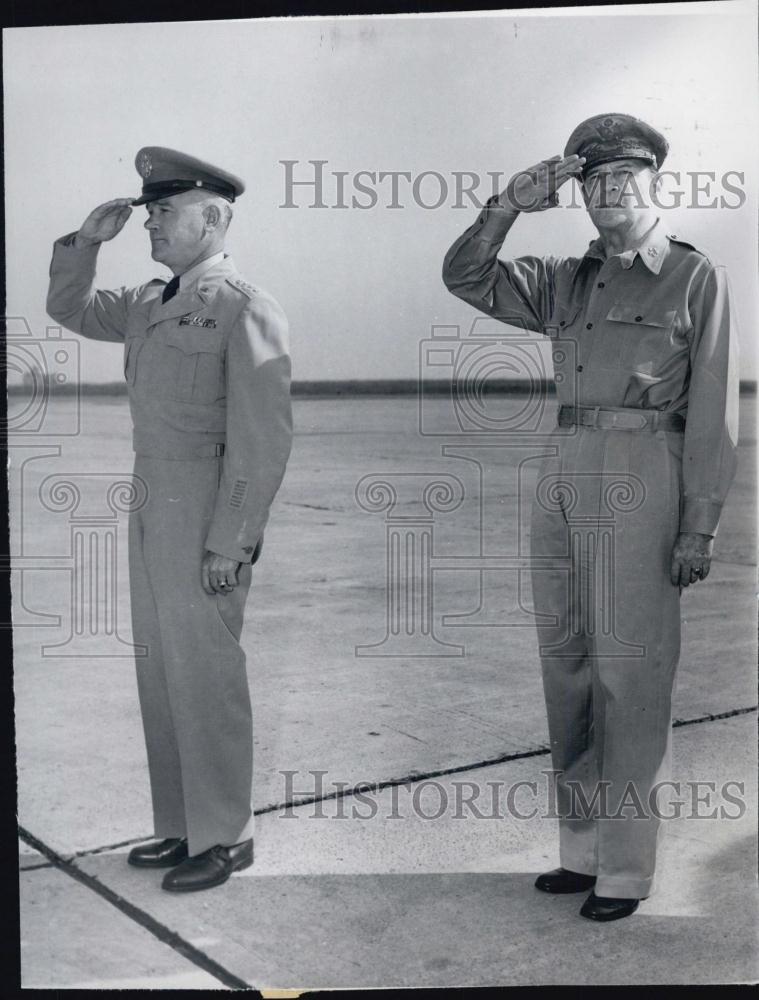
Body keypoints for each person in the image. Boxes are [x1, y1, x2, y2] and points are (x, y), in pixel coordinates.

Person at [442, 114, 738, 921]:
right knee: (567, 668)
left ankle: (626, 869)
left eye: (622, 178)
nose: (608, 192)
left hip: (646, 477)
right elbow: (466, 277)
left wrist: (697, 525)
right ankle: (580, 853)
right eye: (593, 181)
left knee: (630, 677)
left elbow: (712, 410)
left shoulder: (690, 277)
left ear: (653, 184)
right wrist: (506, 204)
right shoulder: (562, 280)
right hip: (564, 473)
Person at [47, 147, 293, 892]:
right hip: (153, 497)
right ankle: (183, 823)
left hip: (206, 506)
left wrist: (232, 539)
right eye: (149, 211)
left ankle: (226, 836)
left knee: (208, 673)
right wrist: (86, 243)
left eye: (164, 211)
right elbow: (69, 308)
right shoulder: (151, 303)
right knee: (162, 671)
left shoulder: (245, 306)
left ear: (213, 217)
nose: (150, 222)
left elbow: (264, 436)